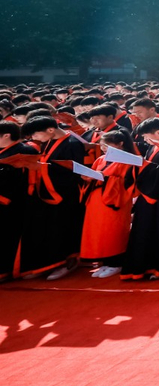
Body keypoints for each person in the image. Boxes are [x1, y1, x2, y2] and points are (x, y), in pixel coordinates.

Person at [19, 115, 87, 280]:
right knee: (51, 230)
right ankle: (50, 264)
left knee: (65, 229)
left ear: (50, 130)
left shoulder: (72, 143)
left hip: (66, 194)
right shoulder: (50, 140)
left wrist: (40, 168)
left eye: (35, 134)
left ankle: (68, 263)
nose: (33, 139)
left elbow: (74, 171)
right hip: (50, 192)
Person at [122, 118, 159, 280]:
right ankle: (145, 268)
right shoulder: (153, 147)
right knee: (145, 231)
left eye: (147, 137)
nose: (145, 141)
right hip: (148, 194)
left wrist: (144, 167)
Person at [80, 130, 138, 278]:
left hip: (115, 199)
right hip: (96, 199)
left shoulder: (129, 159)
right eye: (102, 144)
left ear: (120, 144)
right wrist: (87, 177)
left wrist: (104, 178)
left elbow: (128, 181)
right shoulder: (101, 159)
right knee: (99, 232)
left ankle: (116, 262)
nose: (104, 147)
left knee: (113, 231)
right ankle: (105, 262)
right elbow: (93, 173)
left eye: (107, 144)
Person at [0, 121, 38, 281]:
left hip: (14, 201)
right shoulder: (5, 151)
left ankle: (6, 270)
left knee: (8, 235)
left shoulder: (25, 150)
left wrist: (5, 198)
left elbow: (21, 180)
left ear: (7, 135)